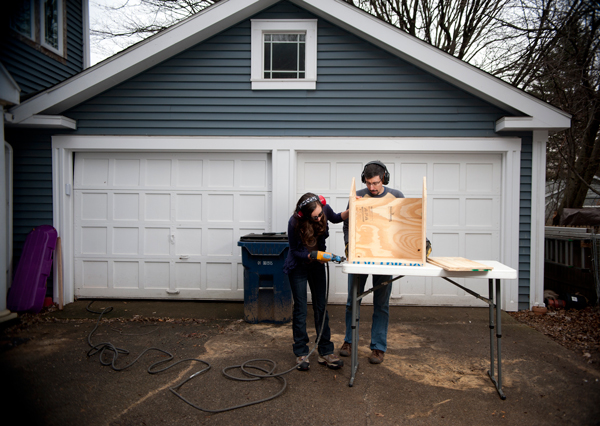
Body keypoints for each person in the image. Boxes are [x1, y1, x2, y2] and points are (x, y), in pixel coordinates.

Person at [340, 161, 404, 365]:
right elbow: (347, 225)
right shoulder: (357, 195)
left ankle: (378, 348)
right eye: (368, 183)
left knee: (381, 304)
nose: (372, 188)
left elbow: (406, 224)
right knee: (353, 301)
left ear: (384, 178)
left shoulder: (396, 196)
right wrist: (350, 247)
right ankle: (349, 341)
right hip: (361, 257)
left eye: (375, 183)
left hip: (386, 259)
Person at [283, 193, 349, 371]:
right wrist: (312, 255)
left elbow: (335, 217)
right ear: (304, 215)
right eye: (316, 216)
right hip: (298, 266)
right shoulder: (294, 222)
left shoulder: (323, 209)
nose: (320, 217)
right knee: (301, 309)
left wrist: (353, 211)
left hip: (317, 266)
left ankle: (325, 352)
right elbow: (295, 251)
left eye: (321, 214)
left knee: (321, 307)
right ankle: (301, 353)